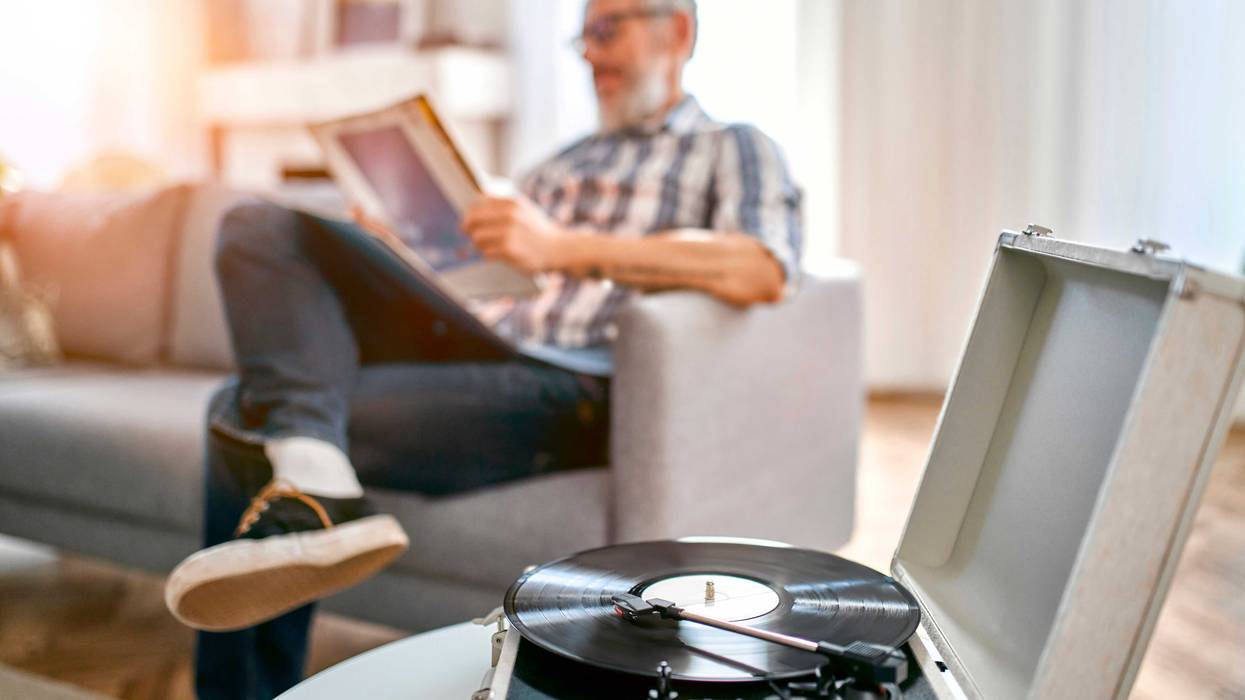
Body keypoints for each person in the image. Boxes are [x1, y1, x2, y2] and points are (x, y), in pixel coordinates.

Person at [166, 0, 802, 697]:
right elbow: (482, 283)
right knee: (258, 226)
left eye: (606, 30)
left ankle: (266, 624)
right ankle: (316, 481)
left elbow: (760, 268)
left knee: (242, 408)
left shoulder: (732, 145)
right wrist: (401, 251)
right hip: (482, 350)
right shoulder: (558, 165)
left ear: (676, 31)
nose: (590, 53)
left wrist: (562, 248)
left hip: (575, 384)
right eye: (583, 37)